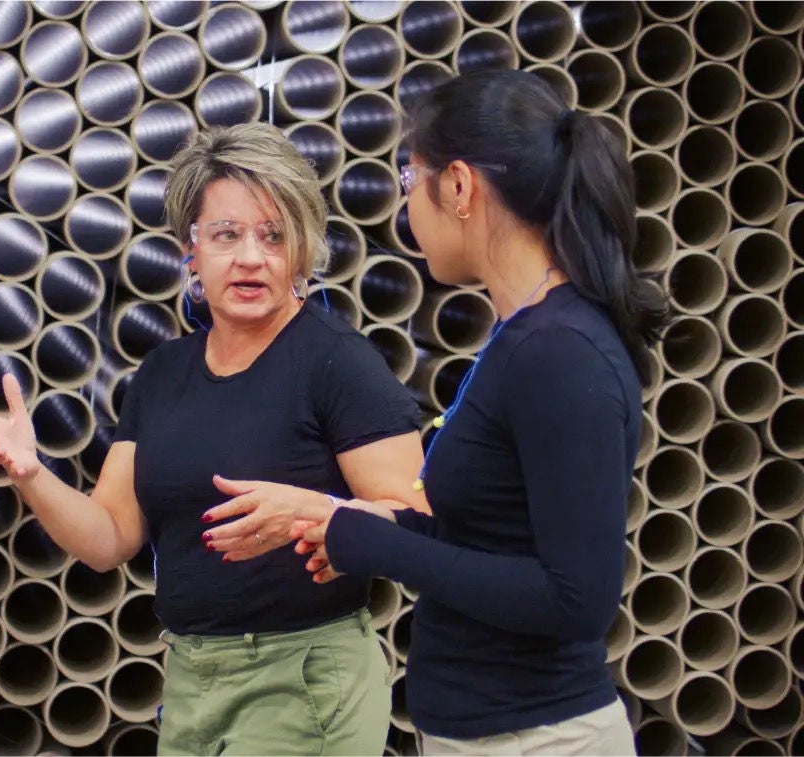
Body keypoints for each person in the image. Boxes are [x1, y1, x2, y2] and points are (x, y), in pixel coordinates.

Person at [225, 70, 666, 755]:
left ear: (458, 187)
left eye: (410, 183)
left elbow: (576, 598)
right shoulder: (529, 336)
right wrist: (365, 518)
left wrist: (373, 543)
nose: (406, 212)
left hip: (537, 740)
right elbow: (496, 539)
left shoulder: (559, 353)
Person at [0, 122, 428, 756]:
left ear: (301, 249)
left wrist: (327, 514)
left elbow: (421, 524)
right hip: (191, 679)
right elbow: (109, 539)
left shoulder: (337, 363)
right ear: (192, 250)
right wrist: (30, 473)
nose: (250, 257)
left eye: (273, 236)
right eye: (226, 235)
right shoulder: (162, 375)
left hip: (306, 679)